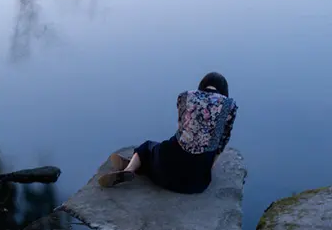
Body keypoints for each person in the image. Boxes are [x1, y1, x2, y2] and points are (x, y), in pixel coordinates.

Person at [98, 72, 237, 194]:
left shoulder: (185, 96)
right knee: (169, 159)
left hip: (166, 170)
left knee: (147, 147)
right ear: (224, 90)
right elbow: (222, 142)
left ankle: (131, 168)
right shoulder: (229, 105)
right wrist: (207, 166)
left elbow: (182, 129)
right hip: (197, 184)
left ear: (203, 84)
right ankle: (140, 166)